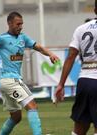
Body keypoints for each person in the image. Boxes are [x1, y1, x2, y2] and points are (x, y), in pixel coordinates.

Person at [0, 11, 59, 135]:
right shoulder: (1, 38)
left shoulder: (23, 38)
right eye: (18, 24)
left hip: (7, 82)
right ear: (9, 23)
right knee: (32, 106)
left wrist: (50, 54)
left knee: (16, 117)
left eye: (22, 24)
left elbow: (39, 47)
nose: (20, 26)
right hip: (11, 81)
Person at [55, 1, 97, 135]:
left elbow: (70, 57)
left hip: (84, 80)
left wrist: (61, 84)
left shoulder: (81, 29)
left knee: (80, 126)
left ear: (95, 10)